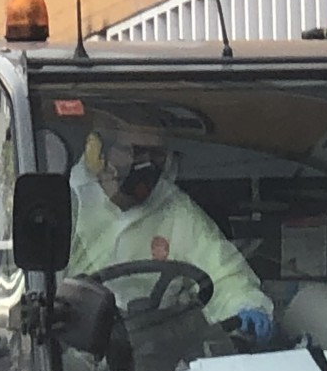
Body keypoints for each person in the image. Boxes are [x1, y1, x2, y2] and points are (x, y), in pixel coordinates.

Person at [66, 108, 275, 337]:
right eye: (136, 152)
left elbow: (223, 273)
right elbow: (34, 287)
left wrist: (245, 306)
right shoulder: (69, 203)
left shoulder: (175, 209)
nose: (146, 164)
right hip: (74, 349)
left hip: (151, 347)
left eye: (155, 154)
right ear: (97, 151)